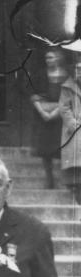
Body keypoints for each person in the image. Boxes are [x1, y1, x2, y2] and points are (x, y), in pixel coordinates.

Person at [29, 48, 68, 190]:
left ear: (59, 58)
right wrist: (43, 112)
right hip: (44, 117)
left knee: (62, 149)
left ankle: (66, 181)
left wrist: (56, 112)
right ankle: (49, 180)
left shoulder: (66, 76)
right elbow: (35, 95)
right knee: (45, 150)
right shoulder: (41, 75)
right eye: (47, 58)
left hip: (62, 117)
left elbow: (68, 97)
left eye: (51, 57)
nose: (49, 60)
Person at [58, 57, 81, 204]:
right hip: (74, 129)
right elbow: (64, 108)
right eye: (77, 70)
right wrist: (73, 124)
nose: (79, 72)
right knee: (75, 163)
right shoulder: (67, 87)